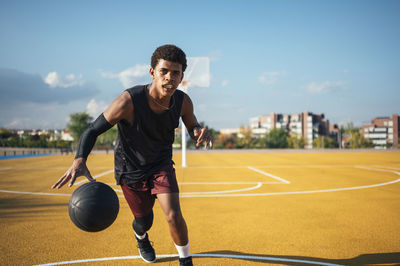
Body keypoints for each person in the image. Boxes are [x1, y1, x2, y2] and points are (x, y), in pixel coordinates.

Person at [51, 44, 212, 266]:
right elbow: (92, 130)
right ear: (152, 72)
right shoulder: (128, 102)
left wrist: (198, 132)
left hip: (161, 164)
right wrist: (80, 159)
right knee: (144, 220)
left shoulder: (183, 101)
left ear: (182, 76)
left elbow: (193, 126)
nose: (169, 77)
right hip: (131, 168)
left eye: (176, 73)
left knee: (173, 214)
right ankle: (141, 237)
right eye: (164, 71)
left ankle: (186, 261)